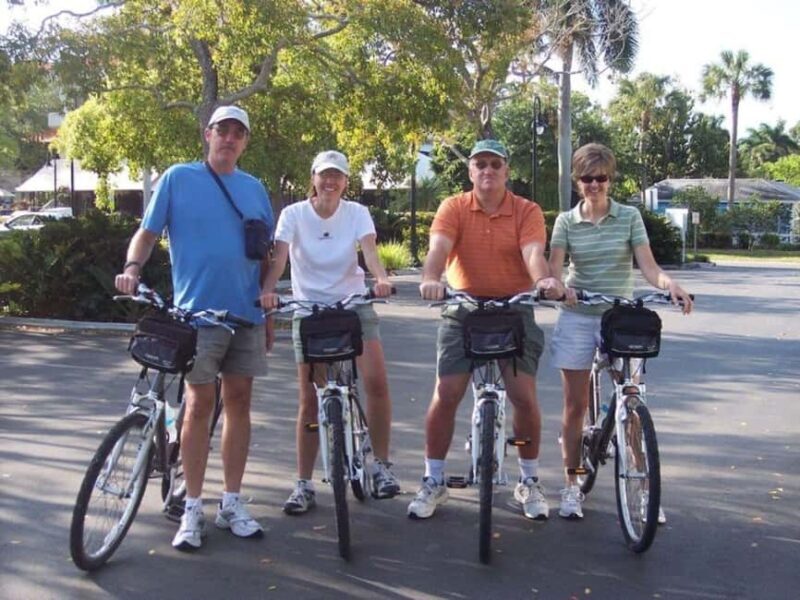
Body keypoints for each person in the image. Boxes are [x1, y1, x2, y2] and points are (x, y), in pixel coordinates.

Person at [115, 105, 274, 550]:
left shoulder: (254, 188)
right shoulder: (178, 178)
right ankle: (191, 508)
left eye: (238, 133)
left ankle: (232, 503)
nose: (229, 139)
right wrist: (132, 268)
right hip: (198, 316)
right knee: (199, 405)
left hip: (245, 314)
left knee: (240, 404)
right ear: (208, 134)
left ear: (245, 142)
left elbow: (267, 254)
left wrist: (269, 311)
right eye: (222, 130)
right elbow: (147, 234)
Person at [408, 139, 564, 521]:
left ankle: (529, 480)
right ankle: (434, 479)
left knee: (523, 396)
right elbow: (439, 249)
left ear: (506, 171)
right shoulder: (454, 207)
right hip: (464, 308)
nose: (488, 171)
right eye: (481, 164)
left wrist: (543, 281)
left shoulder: (526, 210)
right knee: (446, 393)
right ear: (471, 171)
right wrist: (431, 278)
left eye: (496, 164)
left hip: (514, 309)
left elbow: (532, 254)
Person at [548, 142, 693, 520]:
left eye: (601, 178)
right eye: (586, 178)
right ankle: (571, 485)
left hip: (619, 317)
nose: (594, 185)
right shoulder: (565, 221)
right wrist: (562, 286)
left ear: (610, 179)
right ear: (577, 181)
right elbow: (553, 270)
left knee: (632, 400)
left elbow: (648, 266)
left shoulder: (628, 217)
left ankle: (645, 491)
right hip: (578, 314)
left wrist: (669, 285)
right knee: (575, 406)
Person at [259, 150, 400, 515]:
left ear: (345, 182)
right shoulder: (293, 215)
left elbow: (369, 252)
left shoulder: (356, 213)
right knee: (310, 399)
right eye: (324, 175)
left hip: (353, 305)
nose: (330, 182)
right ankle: (303, 483)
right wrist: (268, 290)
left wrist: (381, 278)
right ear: (313, 178)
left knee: (377, 382)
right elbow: (279, 257)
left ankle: (381, 465)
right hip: (309, 311)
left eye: (337, 176)